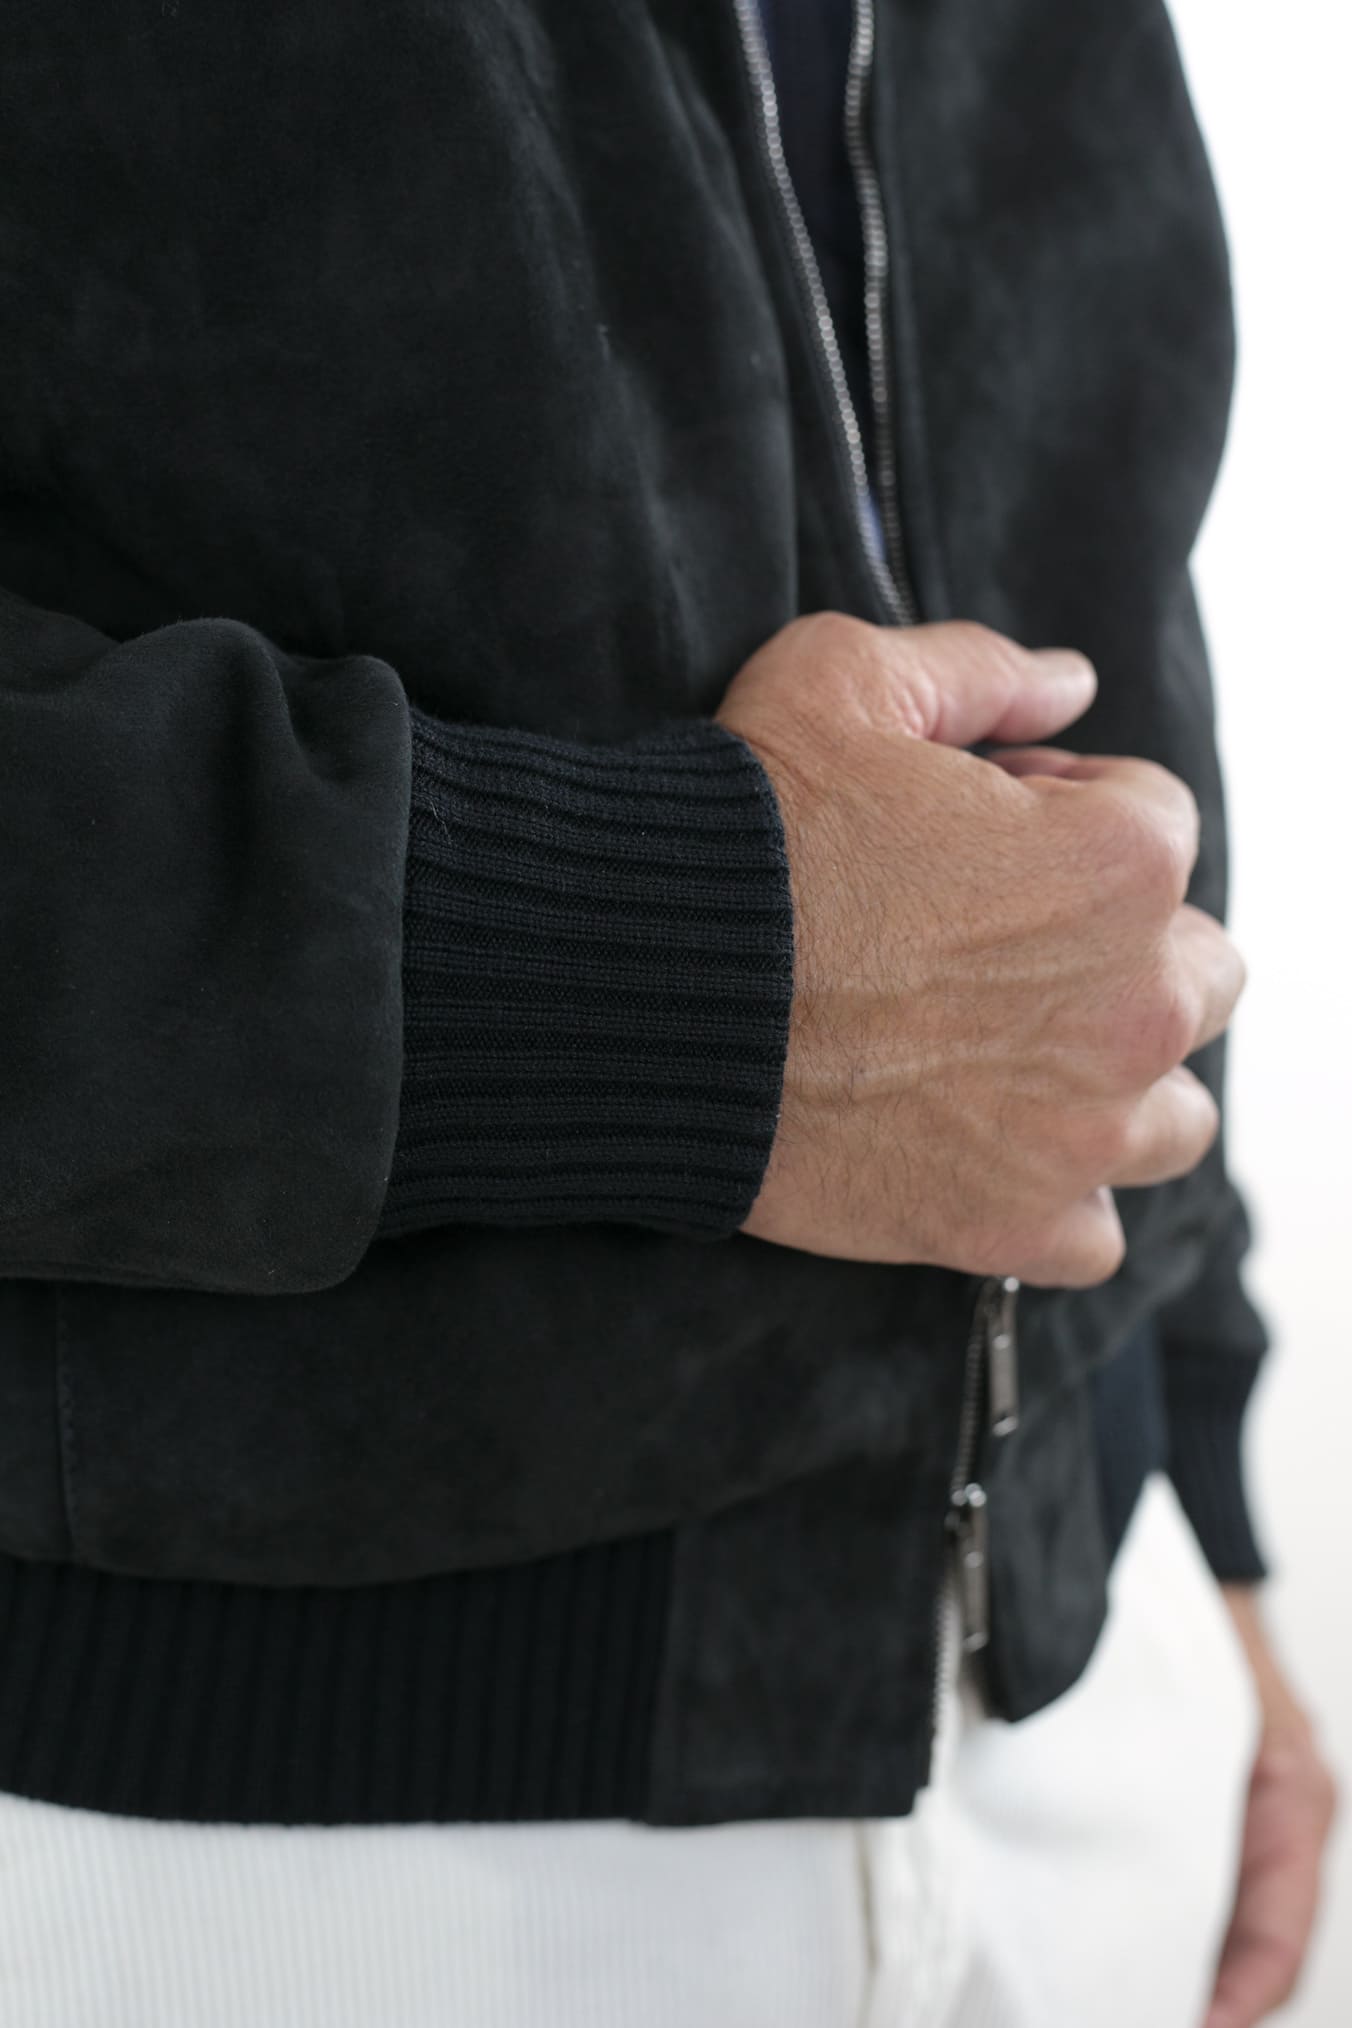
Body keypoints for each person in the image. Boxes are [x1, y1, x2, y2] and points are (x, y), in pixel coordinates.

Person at [0, 0, 1335, 2023]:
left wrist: (1193, 1468)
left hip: (1079, 1701)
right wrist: (685, 978)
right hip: (232, 1824)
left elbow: (1070, 484)